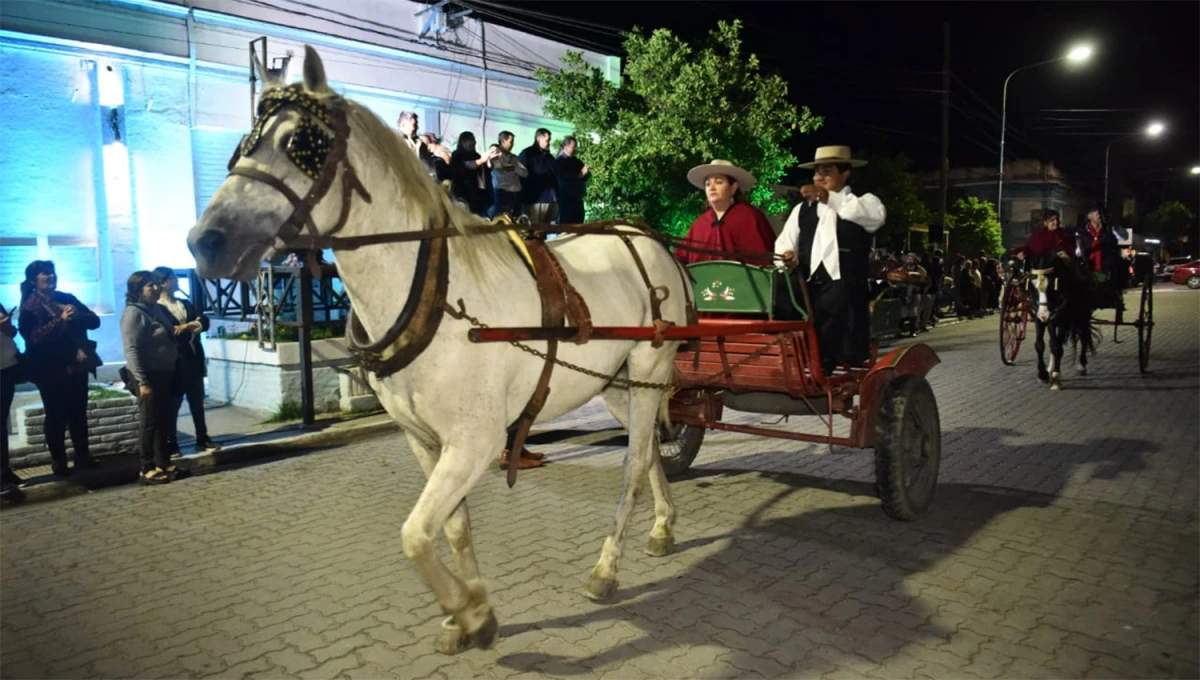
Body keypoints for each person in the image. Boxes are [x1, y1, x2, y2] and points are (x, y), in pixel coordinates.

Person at [775, 146, 886, 375]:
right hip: (808, 278)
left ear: (845, 173)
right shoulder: (802, 210)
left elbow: (875, 217)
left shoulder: (863, 203)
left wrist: (829, 199)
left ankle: (823, 365)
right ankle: (788, 359)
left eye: (827, 170)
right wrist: (787, 256)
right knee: (778, 293)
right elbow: (785, 242)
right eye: (817, 171)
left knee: (834, 300)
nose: (819, 176)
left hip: (845, 280)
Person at [18, 261, 102, 478]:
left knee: (78, 413)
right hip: (50, 371)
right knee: (56, 416)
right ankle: (59, 461)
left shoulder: (67, 298)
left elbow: (94, 321)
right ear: (33, 281)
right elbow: (33, 339)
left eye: (53, 273)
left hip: (77, 365)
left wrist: (77, 316)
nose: (51, 277)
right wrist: (59, 320)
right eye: (46, 275)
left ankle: (83, 456)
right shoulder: (29, 306)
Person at [121, 271, 182, 485]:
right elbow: (132, 349)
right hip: (148, 375)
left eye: (156, 285)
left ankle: (163, 462)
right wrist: (142, 382)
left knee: (163, 419)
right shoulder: (134, 313)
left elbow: (169, 331)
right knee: (149, 422)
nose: (156, 289)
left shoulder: (156, 309)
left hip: (165, 372)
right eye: (150, 286)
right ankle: (145, 467)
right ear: (138, 291)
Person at [152, 267, 219, 455]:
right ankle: (171, 441)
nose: (176, 281)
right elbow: (171, 332)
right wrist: (186, 327)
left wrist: (189, 326)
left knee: (197, 400)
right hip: (175, 360)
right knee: (173, 403)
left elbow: (204, 321)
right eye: (172, 278)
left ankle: (202, 437)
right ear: (163, 282)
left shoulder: (184, 303)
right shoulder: (158, 308)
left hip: (193, 356)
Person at [674, 159, 776, 266]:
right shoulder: (699, 224)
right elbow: (680, 257)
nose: (712, 188)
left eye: (719, 182)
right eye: (707, 184)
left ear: (733, 188)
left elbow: (767, 259)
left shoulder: (750, 217)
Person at [1, 302, 25, 499]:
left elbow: (10, 333)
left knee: (2, 425)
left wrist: (7, 325)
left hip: (6, 370)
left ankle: (4, 470)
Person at [449, 132, 499, 217]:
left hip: (479, 195)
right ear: (464, 141)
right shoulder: (457, 155)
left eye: (474, 140)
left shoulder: (476, 155)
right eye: (471, 140)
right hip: (464, 194)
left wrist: (490, 162)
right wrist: (482, 160)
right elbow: (464, 167)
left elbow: (484, 173)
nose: (474, 142)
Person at [518, 128, 559, 224]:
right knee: (535, 229)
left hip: (550, 199)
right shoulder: (527, 154)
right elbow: (521, 175)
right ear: (538, 138)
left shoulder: (550, 157)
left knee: (545, 230)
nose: (549, 143)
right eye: (547, 140)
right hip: (534, 199)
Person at [397, 111, 450, 181]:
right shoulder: (397, 142)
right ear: (403, 124)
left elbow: (427, 161)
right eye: (414, 125)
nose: (416, 128)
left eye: (416, 125)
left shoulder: (417, 142)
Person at [555, 136, 590, 224]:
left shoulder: (576, 161)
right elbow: (565, 178)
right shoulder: (559, 161)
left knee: (578, 223)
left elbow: (586, 175)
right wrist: (580, 175)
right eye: (573, 147)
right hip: (566, 199)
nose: (575, 149)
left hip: (577, 198)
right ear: (566, 147)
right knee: (566, 225)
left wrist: (584, 174)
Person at [491, 132, 526, 219]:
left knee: (517, 218)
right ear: (503, 141)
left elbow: (525, 173)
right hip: (502, 191)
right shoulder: (494, 155)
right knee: (500, 218)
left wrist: (515, 168)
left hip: (516, 193)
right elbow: (498, 167)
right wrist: (506, 167)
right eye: (511, 141)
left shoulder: (514, 158)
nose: (513, 144)